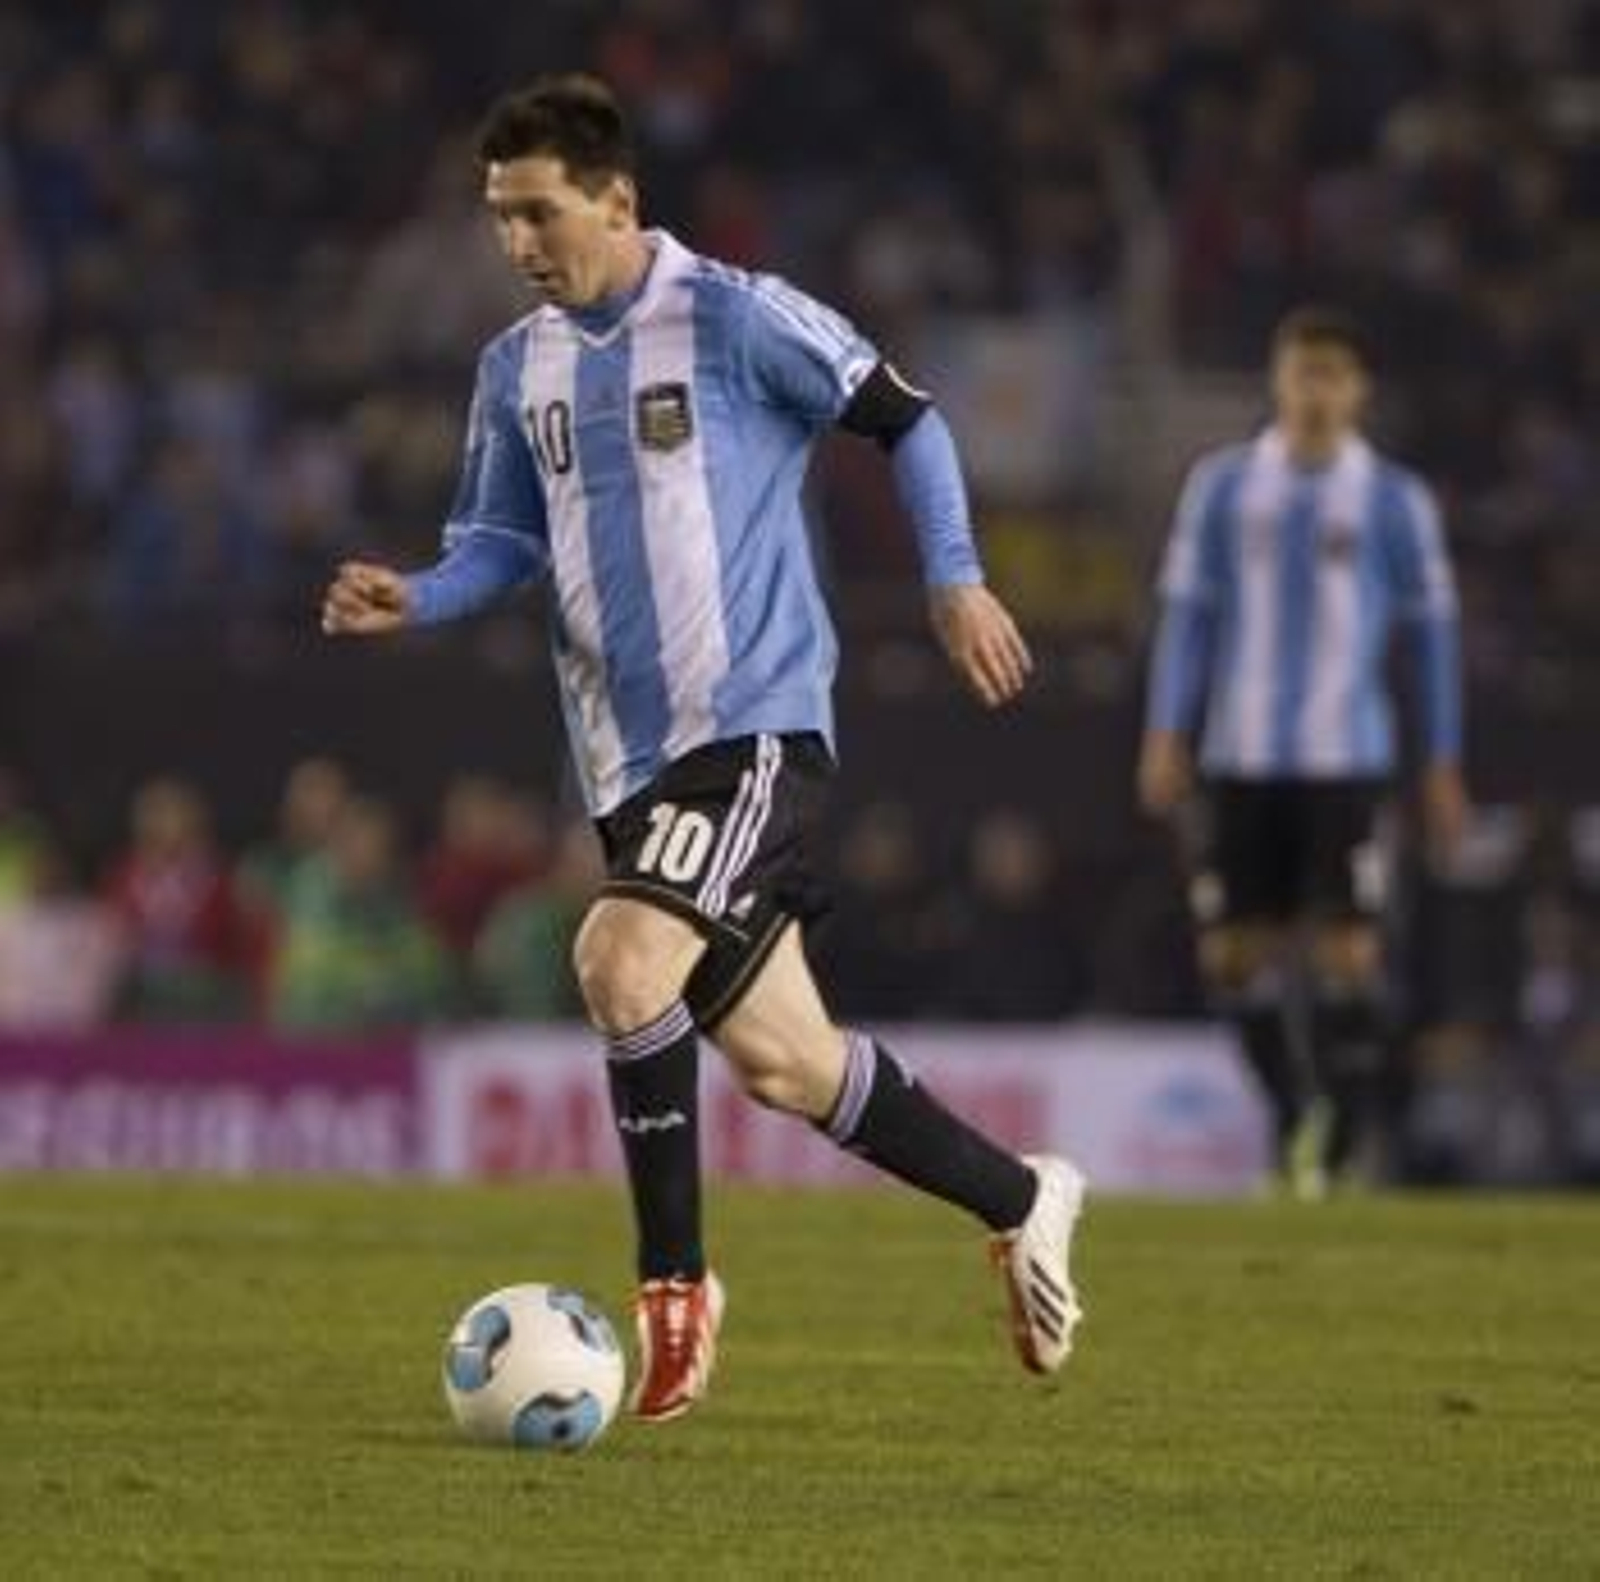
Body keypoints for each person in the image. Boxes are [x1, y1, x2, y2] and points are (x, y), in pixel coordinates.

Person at [322, 74, 1085, 1423]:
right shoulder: (517, 368)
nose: (516, 243)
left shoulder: (731, 315)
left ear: (617, 200)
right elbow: (501, 539)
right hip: (627, 763)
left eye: (539, 212)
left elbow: (905, 413)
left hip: (754, 733)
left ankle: (675, 1292)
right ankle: (1025, 1196)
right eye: (499, 217)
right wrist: (418, 592)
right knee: (791, 1063)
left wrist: (954, 577)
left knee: (618, 960)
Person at [1138, 306, 1469, 1196]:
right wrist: (1167, 731)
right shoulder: (1223, 487)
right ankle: (1297, 1110)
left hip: (1347, 760)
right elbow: (1189, 620)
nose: (1315, 391)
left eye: (1333, 374)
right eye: (1301, 372)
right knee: (1235, 958)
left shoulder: (1395, 501)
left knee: (1349, 954)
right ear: (1277, 380)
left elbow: (1432, 637)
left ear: (1358, 390)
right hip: (1240, 759)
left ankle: (1344, 1136)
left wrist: (1441, 760)